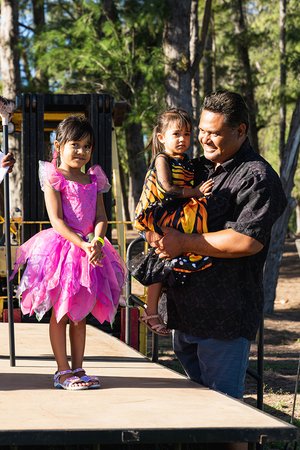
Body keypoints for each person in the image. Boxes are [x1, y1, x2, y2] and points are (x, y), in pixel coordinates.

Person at [150, 91, 287, 399]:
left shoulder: (257, 177)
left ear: (241, 131)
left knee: (227, 413)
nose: (204, 139)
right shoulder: (194, 168)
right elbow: (160, 202)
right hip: (183, 315)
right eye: (201, 130)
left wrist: (183, 242)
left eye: (214, 133)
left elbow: (247, 240)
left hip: (222, 318)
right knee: (196, 411)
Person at [11, 115, 126, 390]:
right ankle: (62, 371)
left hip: (91, 250)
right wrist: (82, 243)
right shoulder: (54, 176)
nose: (82, 151)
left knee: (80, 313)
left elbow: (101, 216)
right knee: (61, 313)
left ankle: (78, 367)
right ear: (59, 145)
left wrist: (97, 241)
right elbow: (57, 221)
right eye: (75, 144)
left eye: (87, 146)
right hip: (65, 249)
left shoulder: (93, 178)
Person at [132, 108, 213, 336]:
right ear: (161, 137)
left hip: (175, 214)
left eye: (187, 134)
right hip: (158, 212)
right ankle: (150, 311)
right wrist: (195, 191)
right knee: (161, 258)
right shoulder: (162, 159)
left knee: (172, 260)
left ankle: (165, 308)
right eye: (176, 134)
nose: (182, 139)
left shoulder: (187, 161)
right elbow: (167, 188)